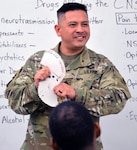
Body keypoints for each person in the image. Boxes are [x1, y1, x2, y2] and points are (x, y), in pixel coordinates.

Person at [5, 2, 131, 150]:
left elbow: (118, 99)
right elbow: (14, 101)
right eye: (73, 24)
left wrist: (77, 94)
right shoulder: (38, 61)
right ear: (58, 30)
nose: (80, 30)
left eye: (85, 24)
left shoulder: (100, 64)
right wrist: (36, 87)